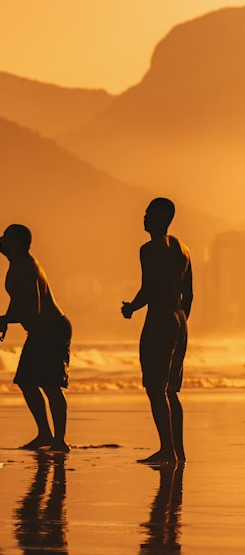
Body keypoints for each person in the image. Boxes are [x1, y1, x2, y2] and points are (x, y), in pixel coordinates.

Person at [0, 223, 72, 452]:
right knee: (26, 381)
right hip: (40, 331)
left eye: (5, 237)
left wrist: (0, 320)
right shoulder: (16, 265)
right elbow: (18, 299)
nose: (0, 239)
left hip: (52, 329)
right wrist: (5, 318)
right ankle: (45, 434)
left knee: (51, 385)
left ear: (16, 243)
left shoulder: (26, 267)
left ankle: (60, 440)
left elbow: (33, 309)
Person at [122, 198, 192, 467]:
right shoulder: (184, 249)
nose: (144, 217)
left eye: (149, 213)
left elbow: (148, 288)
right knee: (171, 389)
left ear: (162, 218)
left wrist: (132, 308)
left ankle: (167, 450)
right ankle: (178, 451)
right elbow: (190, 293)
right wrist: (180, 320)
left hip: (160, 319)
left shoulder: (149, 249)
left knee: (155, 387)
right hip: (179, 319)